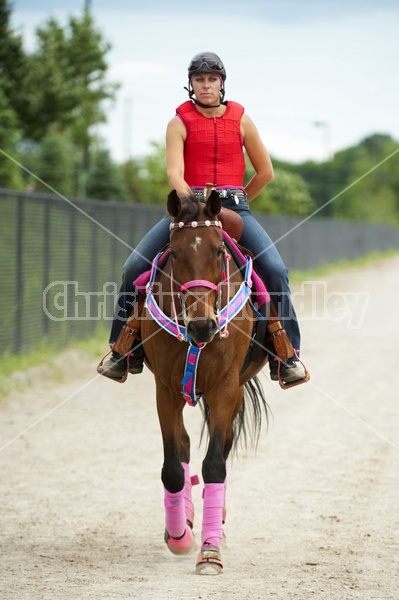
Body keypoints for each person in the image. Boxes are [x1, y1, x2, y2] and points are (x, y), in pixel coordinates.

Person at [98, 51, 306, 384]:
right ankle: (125, 352)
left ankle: (286, 356)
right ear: (190, 84)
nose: (206, 85)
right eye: (199, 79)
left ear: (222, 84)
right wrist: (194, 206)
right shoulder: (177, 123)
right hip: (188, 211)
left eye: (212, 79)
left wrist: (234, 204)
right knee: (133, 269)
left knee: (276, 271)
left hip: (233, 209)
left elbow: (265, 172)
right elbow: (175, 175)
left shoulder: (242, 120)